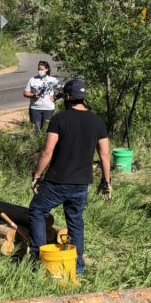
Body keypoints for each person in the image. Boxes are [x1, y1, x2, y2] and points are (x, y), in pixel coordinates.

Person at [27, 79, 111, 278]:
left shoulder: (59, 119)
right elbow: (105, 154)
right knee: (75, 221)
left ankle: (39, 260)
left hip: (57, 180)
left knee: (37, 211)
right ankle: (77, 266)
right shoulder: (97, 121)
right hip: (82, 182)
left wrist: (37, 175)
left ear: (67, 97)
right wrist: (106, 181)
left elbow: (47, 151)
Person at [23, 60, 60, 136]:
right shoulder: (33, 80)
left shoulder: (53, 80)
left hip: (48, 108)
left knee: (46, 129)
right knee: (36, 129)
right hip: (35, 108)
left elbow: (62, 90)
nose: (40, 71)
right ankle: (36, 145)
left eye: (42, 69)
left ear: (47, 69)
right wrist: (33, 95)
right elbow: (25, 93)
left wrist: (56, 97)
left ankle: (45, 146)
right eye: (39, 69)